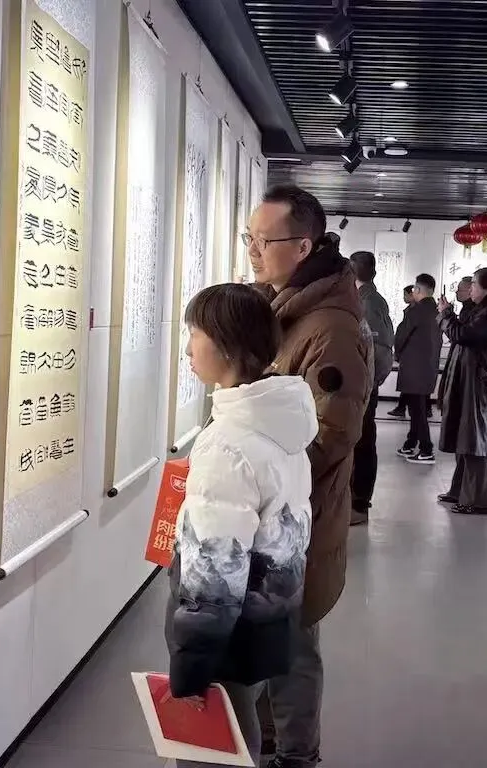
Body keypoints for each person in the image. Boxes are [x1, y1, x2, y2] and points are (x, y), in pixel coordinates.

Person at [165, 284, 317, 768]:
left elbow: (215, 570)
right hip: (268, 606)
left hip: (227, 621)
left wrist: (193, 661)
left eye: (195, 333)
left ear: (226, 344)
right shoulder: (282, 422)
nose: (188, 349)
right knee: (241, 716)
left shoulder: (228, 444)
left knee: (216, 735)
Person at [244, 184, 370, 768]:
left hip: (297, 515)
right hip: (270, 509)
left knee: (292, 643)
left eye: (262, 240)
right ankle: (271, 740)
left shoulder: (330, 328)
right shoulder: (283, 309)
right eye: (248, 238)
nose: (252, 250)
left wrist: (257, 476)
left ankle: (296, 755)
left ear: (302, 247)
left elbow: (332, 434)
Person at [436, 268, 487, 516]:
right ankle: (460, 491)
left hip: (477, 381)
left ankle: (477, 499)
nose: (471, 289)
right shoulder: (481, 309)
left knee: (473, 436)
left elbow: (463, 334)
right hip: (467, 378)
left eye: (475, 284)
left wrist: (446, 315)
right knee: (463, 434)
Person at [348, 251, 395, 526]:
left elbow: (376, 347)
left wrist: (367, 379)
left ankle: (359, 503)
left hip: (365, 382)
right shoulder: (368, 298)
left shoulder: (368, 302)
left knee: (363, 441)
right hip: (365, 380)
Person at [394, 273, 441, 465]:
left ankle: (426, 449)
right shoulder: (437, 311)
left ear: (418, 290)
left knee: (418, 411)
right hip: (428, 366)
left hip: (414, 367)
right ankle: (410, 443)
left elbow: (401, 335)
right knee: (417, 407)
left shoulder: (416, 311)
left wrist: (397, 354)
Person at [435, 275, 474, 410]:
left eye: (460, 289)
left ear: (471, 290)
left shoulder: (473, 311)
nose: (456, 292)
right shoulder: (467, 309)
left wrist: (446, 313)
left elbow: (458, 335)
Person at [388, 284, 416, 419]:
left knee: (409, 382)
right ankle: (401, 407)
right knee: (409, 382)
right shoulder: (411, 311)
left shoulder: (414, 312)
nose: (404, 298)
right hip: (409, 352)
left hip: (410, 352)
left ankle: (402, 407)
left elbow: (404, 334)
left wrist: (398, 350)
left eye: (405, 295)